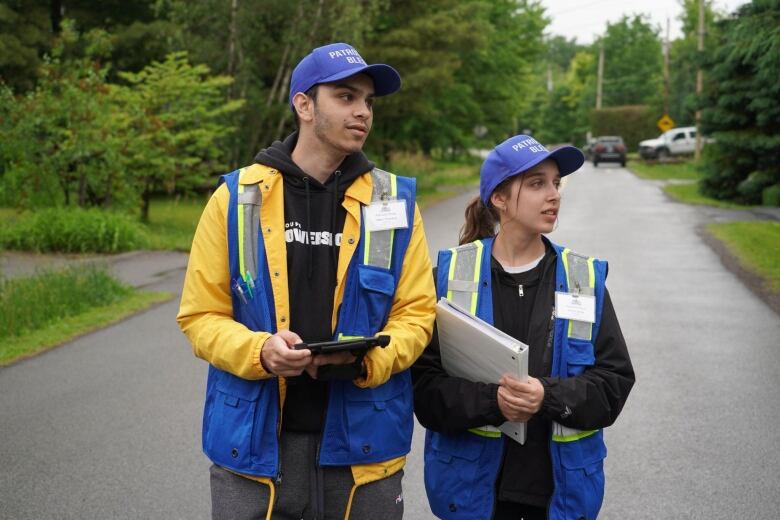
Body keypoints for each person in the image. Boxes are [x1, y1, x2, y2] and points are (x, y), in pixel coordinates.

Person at [177, 42, 436, 520]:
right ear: (303, 104)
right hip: (255, 447)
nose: (362, 112)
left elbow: (417, 314)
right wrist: (260, 351)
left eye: (368, 102)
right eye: (345, 96)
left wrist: (366, 360)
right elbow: (200, 315)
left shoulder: (393, 202)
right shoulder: (238, 199)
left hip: (363, 447)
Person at [412, 135, 634, 520]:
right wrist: (492, 402)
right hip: (472, 495)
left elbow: (613, 384)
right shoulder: (449, 278)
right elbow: (424, 390)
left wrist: (545, 396)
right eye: (536, 184)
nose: (553, 195)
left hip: (557, 496)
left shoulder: (582, 278)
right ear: (499, 198)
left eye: (555, 183)